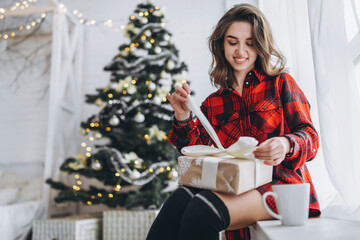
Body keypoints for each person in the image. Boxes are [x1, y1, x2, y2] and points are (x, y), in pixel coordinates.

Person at [146, 3, 320, 240]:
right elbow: (194, 150)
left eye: (249, 43)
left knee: (202, 211)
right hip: (234, 185)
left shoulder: (281, 83)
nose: (240, 51)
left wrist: (286, 144)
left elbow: (310, 136)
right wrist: (182, 116)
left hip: (279, 185)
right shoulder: (213, 103)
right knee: (178, 201)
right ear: (221, 45)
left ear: (260, 45)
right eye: (232, 42)